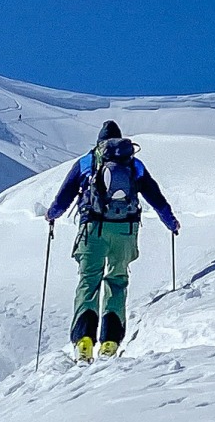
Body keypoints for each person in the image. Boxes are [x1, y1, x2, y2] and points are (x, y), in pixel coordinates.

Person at [45, 120, 180, 362]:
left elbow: (64, 196)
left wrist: (52, 215)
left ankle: (83, 341)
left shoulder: (87, 162)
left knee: (89, 281)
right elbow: (155, 196)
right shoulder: (134, 164)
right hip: (125, 231)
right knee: (117, 281)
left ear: (99, 143)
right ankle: (110, 341)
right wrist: (170, 222)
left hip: (93, 229)